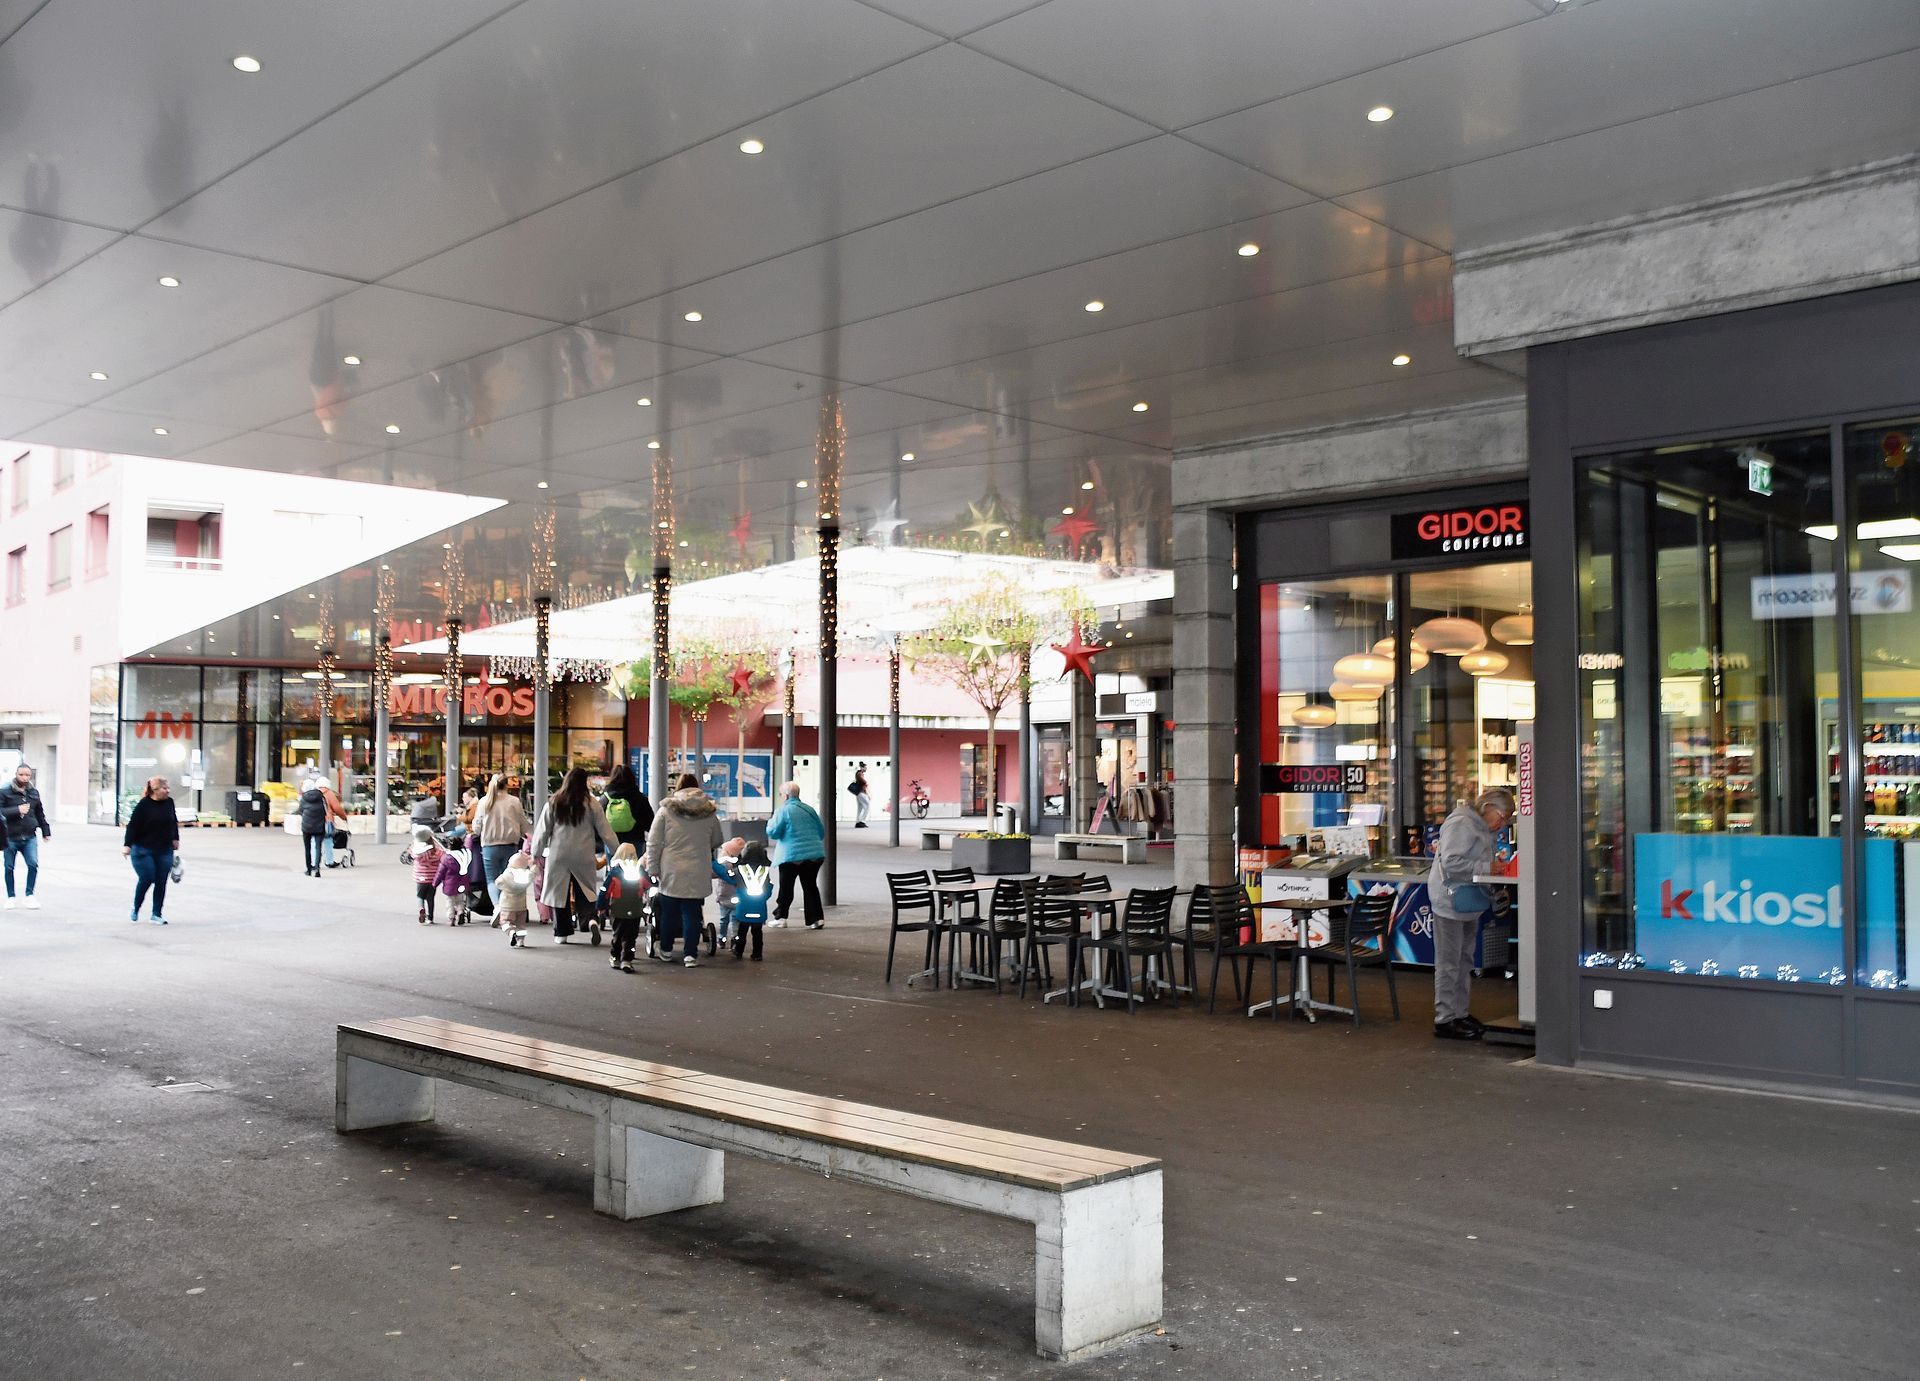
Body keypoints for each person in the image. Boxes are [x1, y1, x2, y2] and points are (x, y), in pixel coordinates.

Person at [1426, 788, 1515, 1041]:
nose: (1503, 823)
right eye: (1502, 816)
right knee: (1449, 963)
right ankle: (1445, 1019)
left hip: (1468, 902)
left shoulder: (1483, 827)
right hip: (1450, 901)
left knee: (1464, 961)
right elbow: (1451, 863)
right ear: (1487, 806)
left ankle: (1459, 1013)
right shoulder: (1462, 823)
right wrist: (1487, 867)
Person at [530, 767, 617, 945]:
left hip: (559, 854)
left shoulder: (554, 802)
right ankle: (590, 920)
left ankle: (561, 933)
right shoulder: (592, 803)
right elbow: (605, 831)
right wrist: (617, 851)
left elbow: (542, 831)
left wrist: (535, 853)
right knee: (585, 890)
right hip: (583, 854)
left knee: (558, 893)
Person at [646, 772, 724, 968]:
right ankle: (690, 954)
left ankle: (666, 949)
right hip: (698, 867)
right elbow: (717, 840)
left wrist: (653, 867)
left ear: (677, 788)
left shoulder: (665, 811)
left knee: (668, 913)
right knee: (693, 913)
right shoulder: (709, 812)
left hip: (671, 868)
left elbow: (653, 843)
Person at [767, 780, 826, 929]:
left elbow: (773, 832)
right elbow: (821, 832)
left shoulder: (783, 811)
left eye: (781, 794)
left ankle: (781, 917)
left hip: (791, 855)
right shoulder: (809, 809)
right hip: (814, 855)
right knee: (810, 886)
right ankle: (816, 919)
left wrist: (769, 823)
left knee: (786, 887)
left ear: (786, 796)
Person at [122, 776, 180, 924]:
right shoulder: (144, 805)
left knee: (161, 881)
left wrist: (175, 838)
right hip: (143, 849)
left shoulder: (169, 803)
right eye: (164, 788)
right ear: (154, 790)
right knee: (147, 877)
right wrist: (127, 845)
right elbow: (133, 826)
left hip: (164, 848)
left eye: (168, 788)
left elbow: (173, 821)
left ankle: (156, 914)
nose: (168, 791)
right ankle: (135, 907)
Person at [472, 774, 528, 907]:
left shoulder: (484, 801)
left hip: (489, 846)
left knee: (492, 880)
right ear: (507, 785)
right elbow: (523, 824)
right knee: (509, 880)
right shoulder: (514, 801)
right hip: (510, 846)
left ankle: (497, 907)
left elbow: (477, 827)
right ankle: (508, 907)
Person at [1, 761, 51, 910]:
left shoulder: (34, 793)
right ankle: (11, 897)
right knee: (9, 867)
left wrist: (45, 831)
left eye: (27, 775)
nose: (24, 777)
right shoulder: (5, 792)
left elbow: (39, 812)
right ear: (16, 775)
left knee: (33, 864)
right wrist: (17, 810)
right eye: (21, 774)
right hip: (10, 836)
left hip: (29, 836)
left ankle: (29, 895)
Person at [597, 843, 652, 973]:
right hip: (635, 909)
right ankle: (627, 959)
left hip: (618, 909)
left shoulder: (615, 872)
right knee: (631, 936)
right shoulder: (639, 871)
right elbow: (648, 884)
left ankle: (615, 956)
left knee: (618, 934)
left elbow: (605, 890)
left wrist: (601, 906)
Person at [727, 840, 773, 961]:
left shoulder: (740, 870)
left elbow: (731, 880)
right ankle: (757, 954)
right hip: (759, 906)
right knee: (757, 933)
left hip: (744, 907)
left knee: (742, 931)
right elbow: (768, 890)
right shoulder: (764, 871)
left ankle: (738, 951)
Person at [297, 775, 344, 878]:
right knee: (319, 846)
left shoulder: (304, 798)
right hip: (319, 825)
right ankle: (317, 869)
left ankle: (309, 869)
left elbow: (300, 810)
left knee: (308, 848)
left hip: (306, 826)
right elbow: (326, 809)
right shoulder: (321, 797)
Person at [602, 762, 653, 852]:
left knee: (613, 865)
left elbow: (599, 822)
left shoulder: (605, 798)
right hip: (635, 840)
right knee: (635, 865)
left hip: (612, 842)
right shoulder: (639, 798)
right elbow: (650, 823)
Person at [710, 835, 746, 950]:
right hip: (737, 897)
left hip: (723, 896)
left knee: (723, 919)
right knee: (735, 920)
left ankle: (722, 939)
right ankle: (735, 940)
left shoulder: (722, 864)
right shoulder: (740, 866)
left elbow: (714, 874)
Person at [497, 850, 533, 945]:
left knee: (505, 921)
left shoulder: (508, 874)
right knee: (521, 925)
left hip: (507, 905)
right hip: (521, 906)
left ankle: (511, 932)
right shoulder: (527, 874)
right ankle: (521, 940)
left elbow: (498, 882)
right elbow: (534, 872)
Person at [434, 841, 475, 926]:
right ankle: (460, 911)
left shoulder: (447, 858)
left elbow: (440, 872)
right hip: (462, 882)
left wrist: (435, 883)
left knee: (450, 901)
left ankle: (451, 918)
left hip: (450, 884)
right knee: (460, 900)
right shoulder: (465, 856)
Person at [411, 826, 444, 924]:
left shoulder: (417, 853)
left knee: (420, 896)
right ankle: (430, 918)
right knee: (430, 898)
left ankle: (421, 908)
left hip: (421, 879)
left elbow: (411, 854)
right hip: (433, 878)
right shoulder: (436, 852)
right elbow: (443, 854)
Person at [850, 764, 870, 828]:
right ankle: (862, 821)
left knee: (860, 808)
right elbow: (864, 781)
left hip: (859, 793)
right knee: (867, 806)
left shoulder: (859, 773)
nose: (866, 769)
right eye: (865, 767)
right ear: (862, 767)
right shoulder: (859, 773)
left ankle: (858, 822)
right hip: (861, 792)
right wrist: (866, 782)